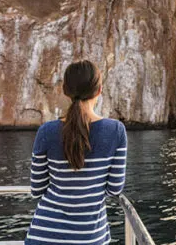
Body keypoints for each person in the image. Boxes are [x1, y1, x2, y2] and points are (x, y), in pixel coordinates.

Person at [25, 60, 127, 245]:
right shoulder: (116, 131)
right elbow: (114, 189)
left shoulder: (46, 131)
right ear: (99, 90)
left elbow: (37, 188)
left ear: (65, 90)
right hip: (90, 238)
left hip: (43, 236)